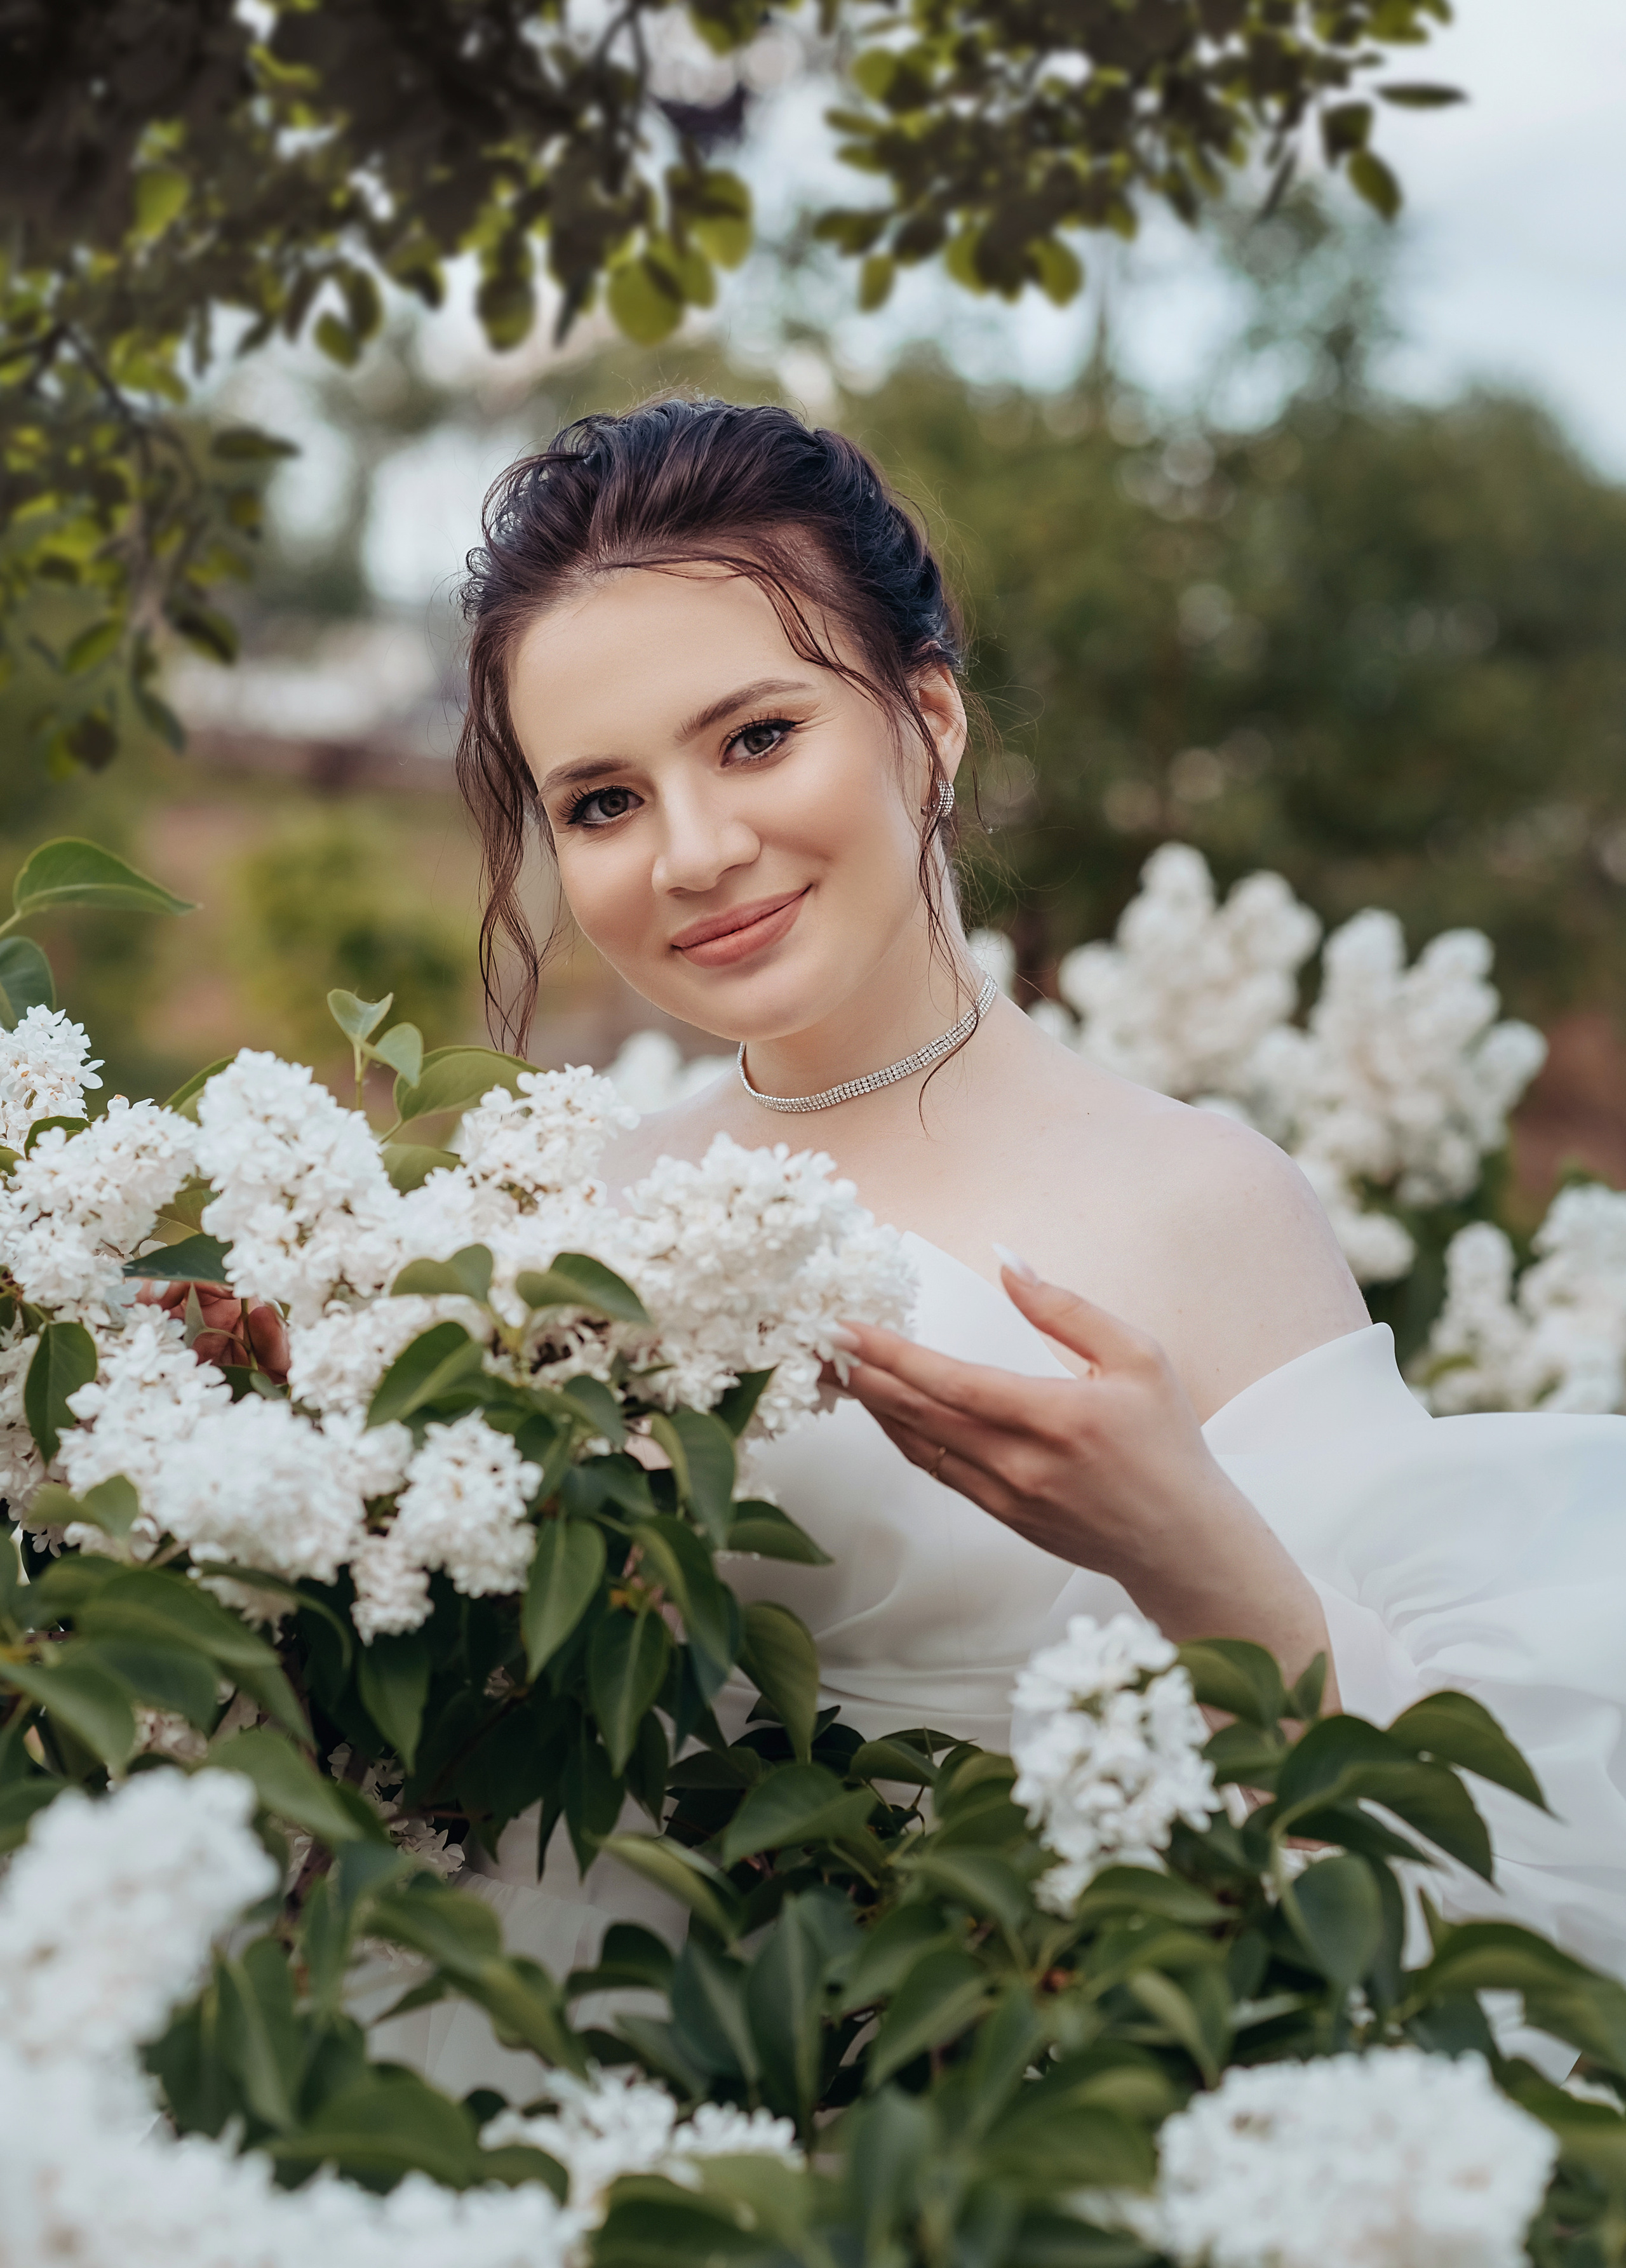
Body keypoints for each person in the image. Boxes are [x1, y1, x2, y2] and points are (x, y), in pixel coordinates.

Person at [374, 396, 1626, 2097]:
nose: (696, 852)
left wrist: (1181, 1539)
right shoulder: (566, 1210)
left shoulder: (1202, 1199)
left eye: (753, 737)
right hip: (597, 2102)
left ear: (932, 721)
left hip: (1057, 2123)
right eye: (601, 800)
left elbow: (1441, 1827)